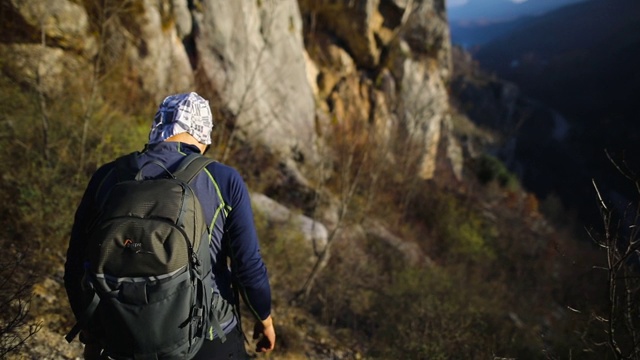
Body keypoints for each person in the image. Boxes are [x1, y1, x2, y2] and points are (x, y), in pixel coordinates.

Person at [64, 92, 276, 359]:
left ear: (158, 126)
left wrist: (93, 329)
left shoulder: (108, 176)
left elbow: (75, 266)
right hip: (206, 337)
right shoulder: (223, 179)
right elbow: (248, 267)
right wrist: (264, 317)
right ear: (204, 134)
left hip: (119, 335)